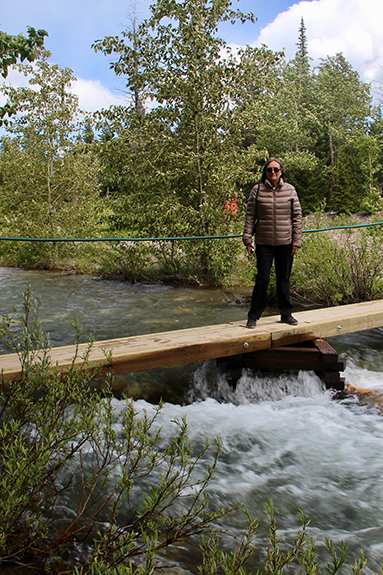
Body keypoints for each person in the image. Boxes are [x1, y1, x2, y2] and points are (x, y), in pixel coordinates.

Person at [242, 158, 302, 328]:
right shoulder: (258, 190)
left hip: (286, 242)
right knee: (263, 279)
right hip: (264, 242)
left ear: (281, 171)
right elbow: (250, 216)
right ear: (265, 172)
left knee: (284, 279)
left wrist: (297, 241)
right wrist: (247, 239)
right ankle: (253, 316)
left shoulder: (290, 190)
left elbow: (297, 217)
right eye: (269, 170)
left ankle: (286, 314)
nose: (273, 173)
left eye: (276, 169)